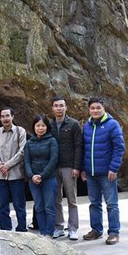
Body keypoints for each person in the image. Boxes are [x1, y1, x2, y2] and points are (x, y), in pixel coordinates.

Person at [81, 97, 126, 245]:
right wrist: (83, 169)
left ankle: (114, 232)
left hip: (107, 173)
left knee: (111, 204)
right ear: (89, 109)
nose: (95, 110)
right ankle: (96, 230)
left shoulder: (112, 125)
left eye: (98, 108)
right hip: (91, 173)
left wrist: (113, 168)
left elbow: (119, 147)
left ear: (103, 108)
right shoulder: (87, 126)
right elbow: (83, 149)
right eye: (92, 108)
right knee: (94, 203)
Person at [49, 96, 83, 240]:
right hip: (53, 167)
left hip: (69, 166)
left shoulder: (73, 124)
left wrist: (76, 167)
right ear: (52, 108)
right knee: (56, 199)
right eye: (56, 106)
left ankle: (73, 228)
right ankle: (58, 227)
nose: (59, 108)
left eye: (61, 105)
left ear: (66, 107)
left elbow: (78, 146)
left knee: (71, 198)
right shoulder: (49, 125)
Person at [0, 107, 27, 231]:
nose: (5, 119)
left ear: (12, 116)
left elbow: (22, 151)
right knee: (2, 206)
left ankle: (22, 229)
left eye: (7, 116)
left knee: (19, 205)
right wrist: (1, 165)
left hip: (16, 174)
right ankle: (5, 229)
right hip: (0, 175)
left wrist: (8, 165)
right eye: (2, 116)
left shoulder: (20, 131)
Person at [25, 114, 59, 238]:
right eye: (38, 125)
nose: (40, 128)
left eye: (43, 125)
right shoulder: (29, 143)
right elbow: (27, 161)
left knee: (49, 207)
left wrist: (42, 175)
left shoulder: (52, 141)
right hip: (33, 181)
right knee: (39, 207)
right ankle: (42, 232)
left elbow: (53, 160)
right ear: (34, 127)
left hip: (48, 179)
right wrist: (31, 176)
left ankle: (49, 233)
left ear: (47, 127)